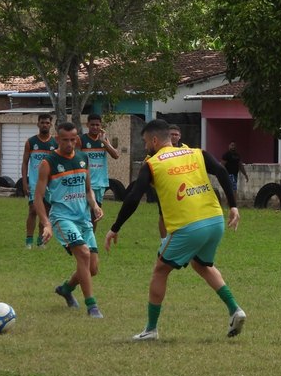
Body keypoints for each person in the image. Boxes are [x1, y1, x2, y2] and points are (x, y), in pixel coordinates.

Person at [105, 118, 244, 341]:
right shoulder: (196, 153)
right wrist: (234, 206)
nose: (145, 147)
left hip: (189, 225)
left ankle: (150, 330)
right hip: (215, 219)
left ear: (154, 139)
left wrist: (115, 227)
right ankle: (236, 310)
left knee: (160, 270)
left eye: (145, 142)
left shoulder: (152, 163)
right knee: (201, 265)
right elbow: (220, 171)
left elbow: (133, 196)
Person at [35, 121, 105, 318]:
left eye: (73, 139)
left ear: (77, 139)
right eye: (64, 140)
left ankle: (66, 289)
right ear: (57, 139)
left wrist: (95, 205)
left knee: (92, 268)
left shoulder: (83, 158)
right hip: (62, 218)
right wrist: (47, 224)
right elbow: (38, 198)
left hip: (83, 218)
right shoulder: (48, 163)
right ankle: (92, 306)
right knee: (83, 253)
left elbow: (88, 189)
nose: (69, 143)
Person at [21, 113, 57, 249]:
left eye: (47, 123)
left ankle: (40, 240)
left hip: (50, 184)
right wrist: (25, 182)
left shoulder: (55, 143)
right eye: (42, 122)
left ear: (51, 125)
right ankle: (28, 241)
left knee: (45, 212)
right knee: (32, 210)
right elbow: (25, 163)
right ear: (38, 124)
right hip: (34, 183)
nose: (45, 125)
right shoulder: (31, 142)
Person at [79, 114, 120, 230]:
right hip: (84, 182)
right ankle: (81, 238)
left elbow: (116, 155)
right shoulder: (81, 139)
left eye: (97, 125)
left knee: (95, 214)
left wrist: (104, 142)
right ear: (87, 125)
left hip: (100, 183)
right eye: (92, 125)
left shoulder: (104, 140)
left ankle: (91, 240)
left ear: (101, 126)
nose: (95, 127)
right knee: (82, 212)